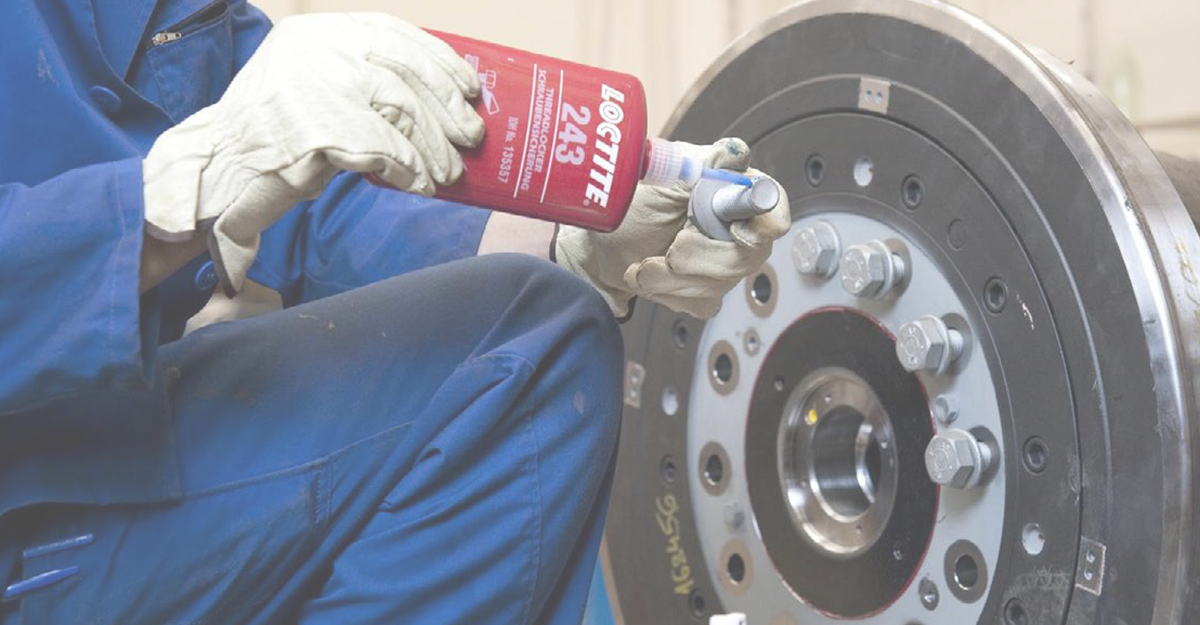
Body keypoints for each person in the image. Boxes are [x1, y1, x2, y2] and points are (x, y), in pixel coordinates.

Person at [0, 2, 790, 624]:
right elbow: (219, 166)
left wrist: (576, 244)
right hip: (25, 497)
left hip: (127, 434)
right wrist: (179, 190)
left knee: (537, 340)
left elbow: (311, 201)